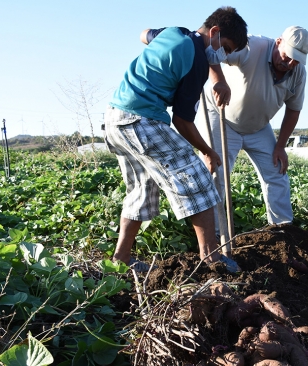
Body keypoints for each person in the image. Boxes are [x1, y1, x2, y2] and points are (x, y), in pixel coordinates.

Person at [103, 7, 248, 272]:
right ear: (214, 32)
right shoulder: (197, 61)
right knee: (199, 181)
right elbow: (182, 121)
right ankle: (212, 258)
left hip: (115, 118)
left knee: (141, 191)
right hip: (141, 120)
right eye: (225, 48)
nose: (223, 57)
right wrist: (207, 151)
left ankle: (119, 261)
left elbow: (144, 34)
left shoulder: (174, 33)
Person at [196, 26, 308, 227]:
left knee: (277, 173)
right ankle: (213, 233)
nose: (290, 63)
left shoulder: (298, 73)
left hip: (258, 126)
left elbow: (293, 110)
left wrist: (280, 146)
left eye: (297, 60)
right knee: (216, 175)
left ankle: (282, 229)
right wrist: (219, 81)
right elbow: (211, 52)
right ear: (278, 42)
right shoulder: (252, 46)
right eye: (287, 56)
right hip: (222, 117)